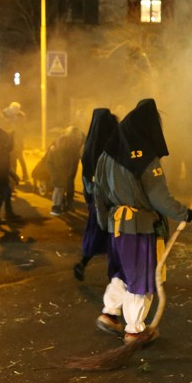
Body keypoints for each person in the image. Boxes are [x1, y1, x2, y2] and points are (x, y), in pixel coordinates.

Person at [92, 99, 192, 343]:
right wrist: (183, 213)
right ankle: (135, 330)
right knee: (141, 277)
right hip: (139, 228)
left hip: (117, 227)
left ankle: (110, 313)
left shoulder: (106, 154)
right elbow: (159, 197)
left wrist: (105, 222)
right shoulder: (145, 158)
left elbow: (99, 194)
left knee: (122, 273)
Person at [74, 109, 119, 281]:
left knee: (97, 231)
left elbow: (86, 175)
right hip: (112, 197)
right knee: (113, 235)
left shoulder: (89, 146)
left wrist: (90, 195)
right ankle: (113, 274)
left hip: (96, 198)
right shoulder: (113, 144)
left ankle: (84, 263)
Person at [46, 126, 85, 215]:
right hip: (64, 169)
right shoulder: (65, 143)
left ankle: (63, 204)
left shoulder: (77, 139)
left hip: (66, 168)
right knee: (61, 188)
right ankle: (59, 205)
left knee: (63, 186)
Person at [0, 126, 18, 226]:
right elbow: (5, 166)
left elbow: (6, 165)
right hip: (0, 176)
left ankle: (9, 213)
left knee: (7, 193)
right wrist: (13, 176)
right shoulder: (1, 150)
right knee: (3, 195)